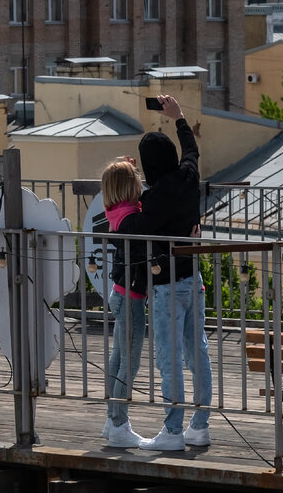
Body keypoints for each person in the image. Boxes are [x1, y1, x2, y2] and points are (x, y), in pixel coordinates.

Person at [137, 94, 212, 451]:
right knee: (197, 352)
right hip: (192, 279)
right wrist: (178, 117)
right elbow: (191, 152)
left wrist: (128, 184)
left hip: (165, 286)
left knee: (169, 360)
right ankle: (200, 426)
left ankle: (172, 432)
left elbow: (133, 233)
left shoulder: (150, 202)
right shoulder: (188, 178)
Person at [99, 157, 148, 448]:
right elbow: (150, 204)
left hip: (119, 294)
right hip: (131, 298)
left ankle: (111, 419)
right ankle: (119, 423)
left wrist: (126, 168)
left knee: (117, 361)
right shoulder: (133, 218)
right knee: (129, 364)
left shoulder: (115, 211)